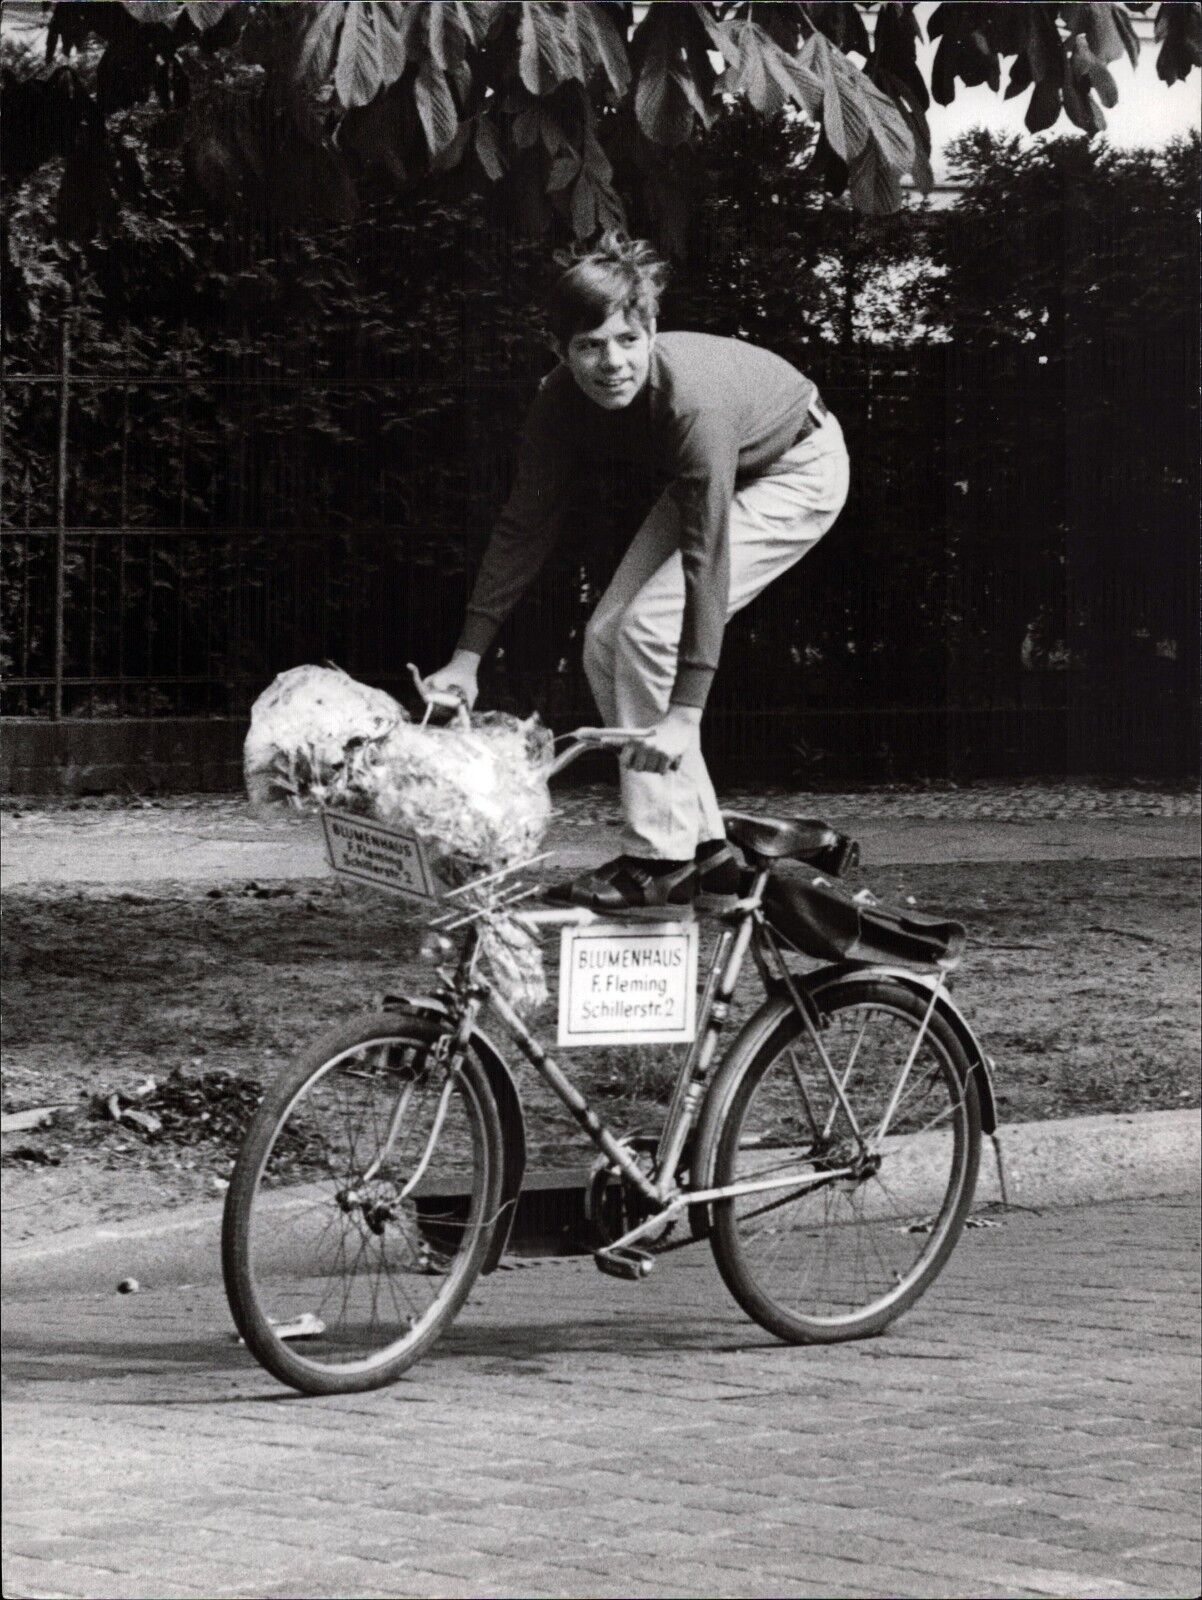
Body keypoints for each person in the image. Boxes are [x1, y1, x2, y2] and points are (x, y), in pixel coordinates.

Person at [424, 234, 850, 912]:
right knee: (604, 636)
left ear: (650, 328)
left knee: (649, 626)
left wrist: (686, 713)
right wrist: (465, 659)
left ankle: (660, 859)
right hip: (715, 474)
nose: (611, 363)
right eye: (588, 346)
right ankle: (708, 856)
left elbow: (706, 559)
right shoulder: (558, 400)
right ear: (560, 351)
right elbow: (524, 524)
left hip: (797, 466)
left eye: (626, 339)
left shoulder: (692, 403)